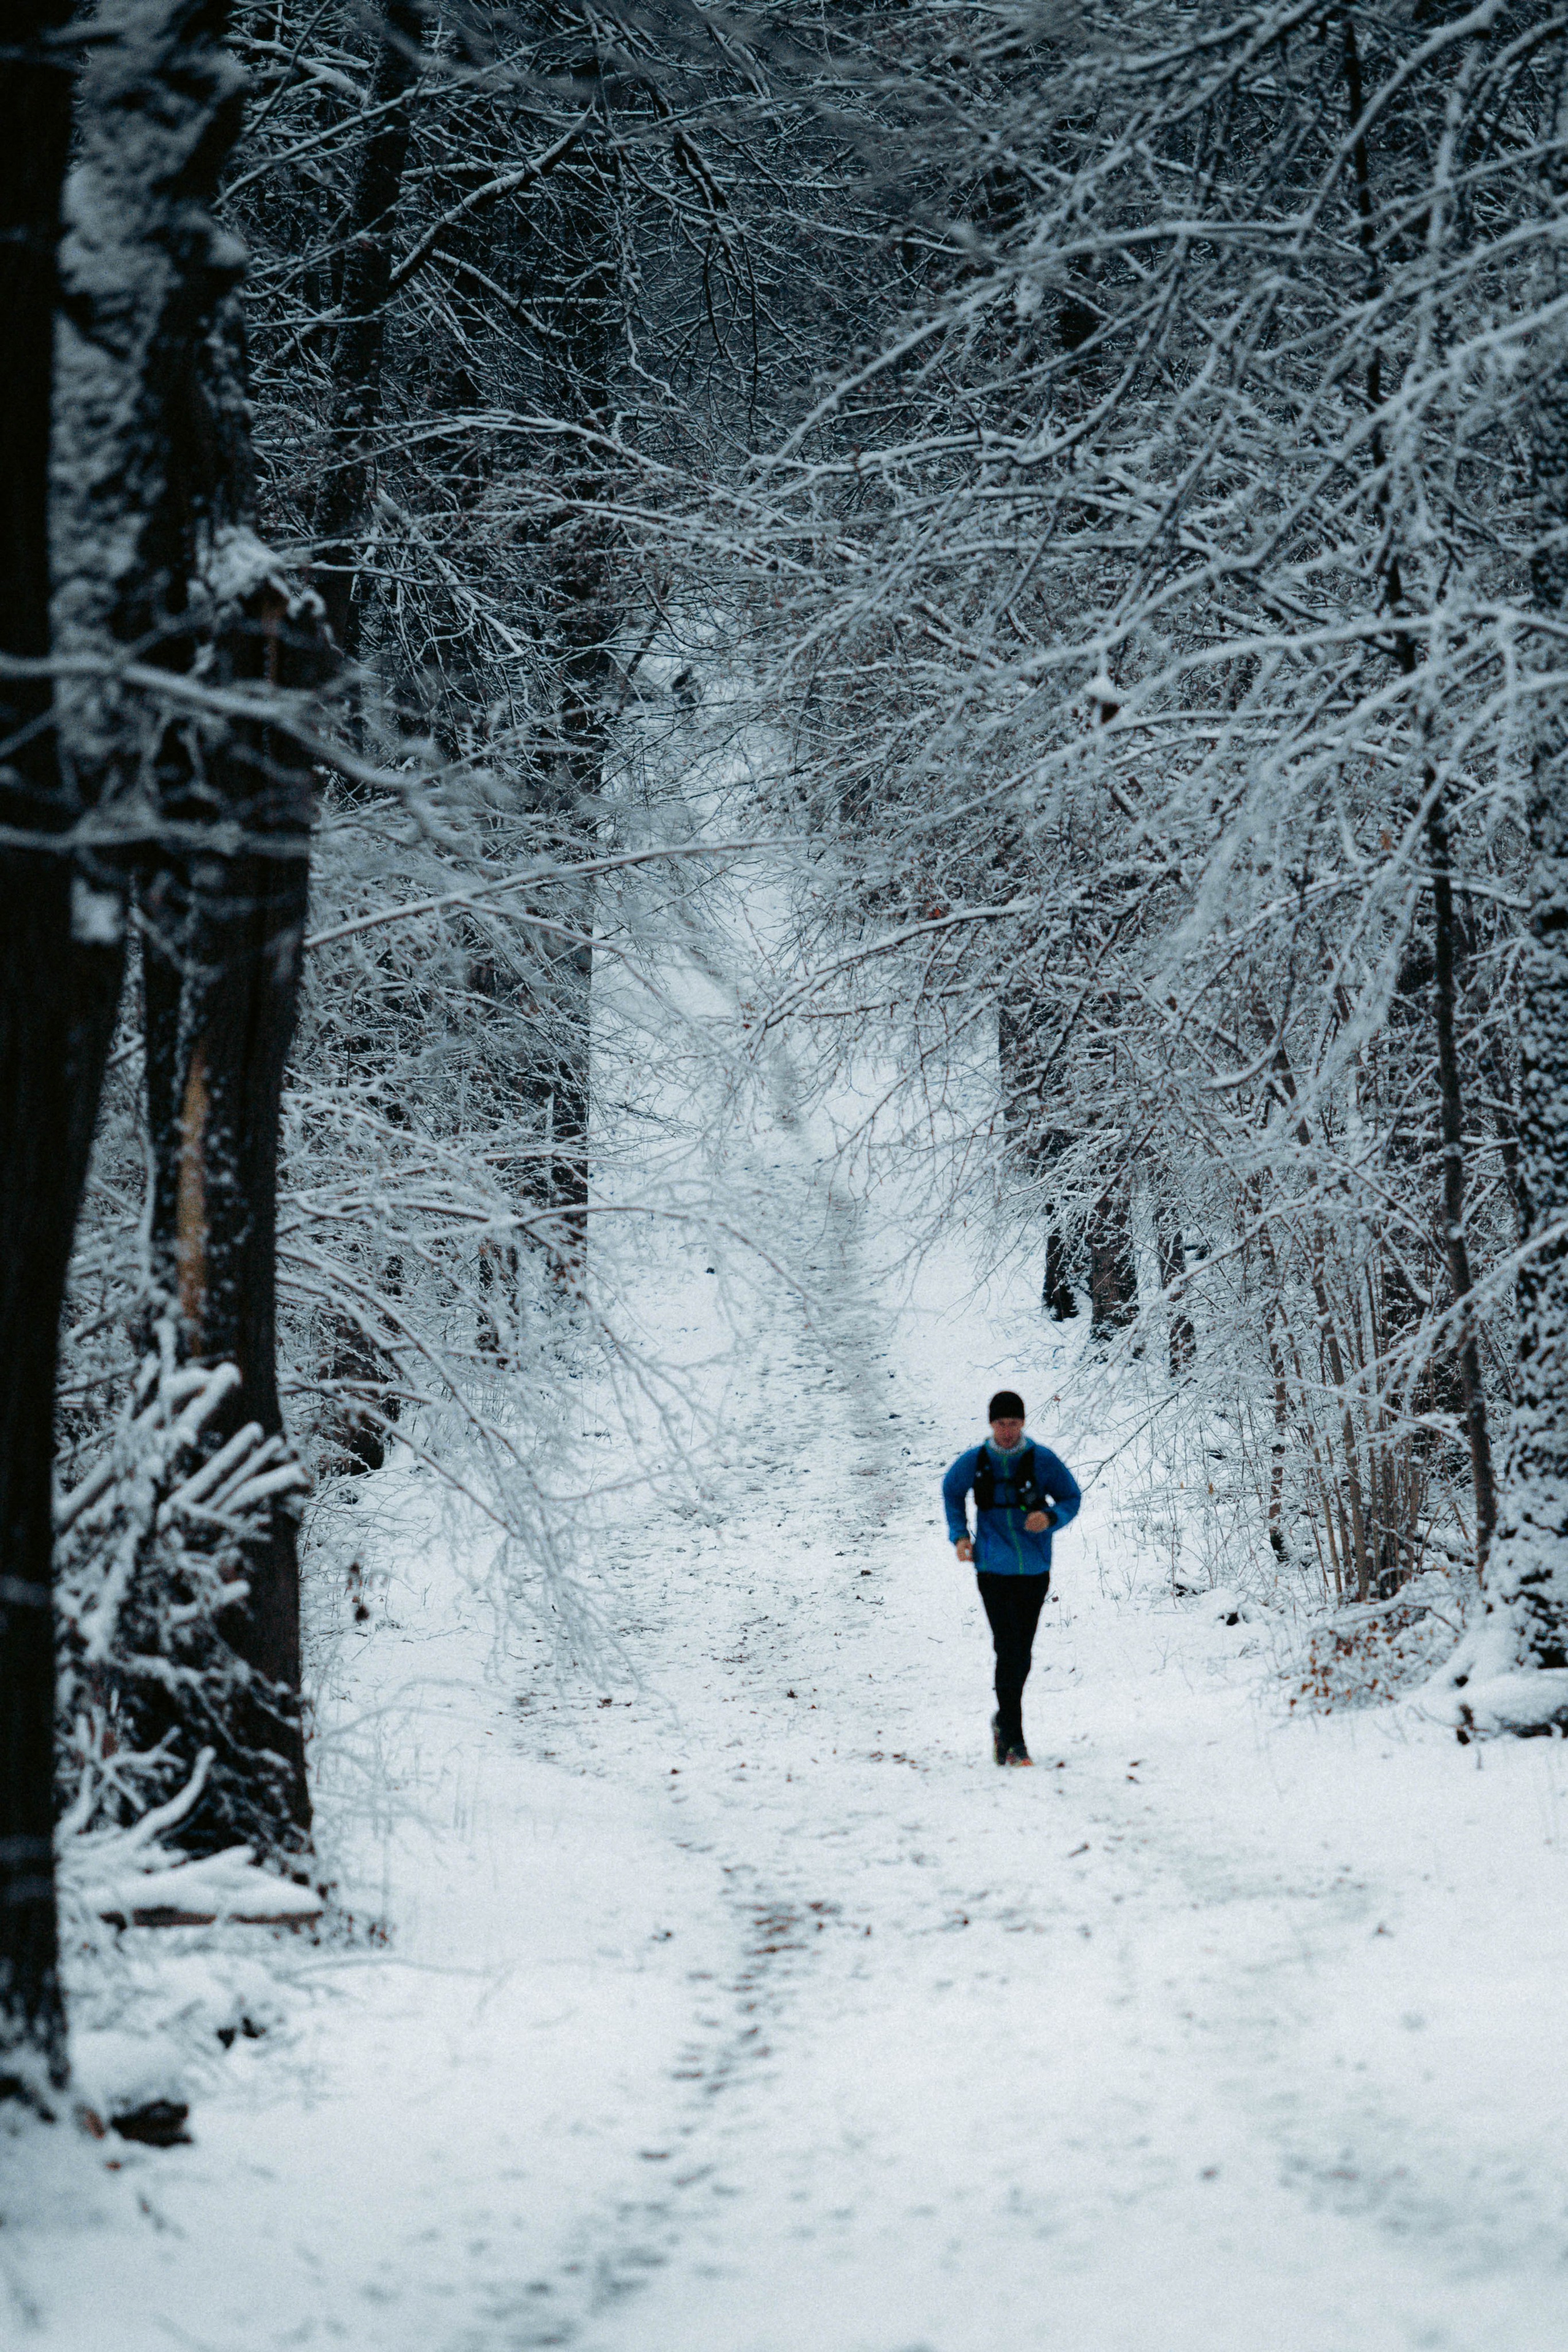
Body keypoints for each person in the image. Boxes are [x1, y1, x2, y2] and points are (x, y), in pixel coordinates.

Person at [942, 1390, 1080, 1766]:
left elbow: (1071, 1497)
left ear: (1023, 1423)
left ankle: (1003, 1725)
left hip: (1034, 1570)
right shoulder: (976, 1461)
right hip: (992, 1568)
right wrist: (960, 1535)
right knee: (1008, 1648)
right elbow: (951, 1492)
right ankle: (1015, 1740)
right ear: (991, 1424)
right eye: (1002, 1423)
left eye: (1014, 1423)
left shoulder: (1042, 1460)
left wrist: (1051, 1518)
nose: (1008, 1431)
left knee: (1022, 1652)